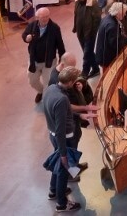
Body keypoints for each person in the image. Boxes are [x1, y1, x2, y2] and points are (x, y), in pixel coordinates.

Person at [43, 67, 88, 212]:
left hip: (53, 135)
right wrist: (63, 154)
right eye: (74, 81)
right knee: (63, 169)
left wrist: (79, 116)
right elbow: (61, 128)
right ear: (69, 82)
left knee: (57, 165)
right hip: (64, 139)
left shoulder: (51, 89)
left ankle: (53, 191)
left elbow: (60, 115)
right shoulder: (62, 99)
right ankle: (62, 204)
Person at [22, 7, 66, 103]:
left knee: (48, 84)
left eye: (47, 16)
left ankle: (47, 104)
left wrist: (62, 60)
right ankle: (40, 91)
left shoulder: (54, 28)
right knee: (32, 81)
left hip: (49, 61)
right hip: (34, 60)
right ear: (37, 17)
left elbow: (60, 45)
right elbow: (24, 35)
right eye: (43, 17)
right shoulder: (32, 26)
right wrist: (26, 38)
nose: (46, 19)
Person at [94, 2, 127, 70]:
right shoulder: (112, 26)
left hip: (102, 54)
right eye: (124, 13)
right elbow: (116, 44)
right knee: (107, 76)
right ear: (118, 13)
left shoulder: (107, 18)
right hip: (106, 59)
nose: (125, 15)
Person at [72, 0, 102, 79]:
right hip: (80, 32)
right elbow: (76, 15)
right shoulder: (77, 2)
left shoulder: (93, 3)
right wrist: (75, 27)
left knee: (86, 54)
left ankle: (84, 72)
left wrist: (92, 34)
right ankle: (96, 69)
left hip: (89, 34)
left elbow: (97, 20)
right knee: (88, 52)